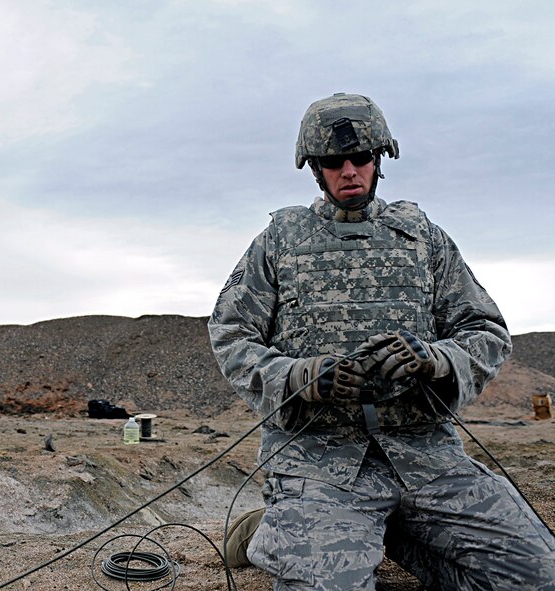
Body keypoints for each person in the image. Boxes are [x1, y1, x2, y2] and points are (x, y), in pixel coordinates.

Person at [208, 92, 555, 590]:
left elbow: (486, 331)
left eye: (361, 158)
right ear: (315, 168)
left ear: (379, 160)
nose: (349, 170)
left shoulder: (423, 238)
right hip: (320, 461)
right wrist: (297, 376)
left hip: (426, 456)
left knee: (539, 575)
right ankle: (276, 528)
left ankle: (390, 530)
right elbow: (230, 333)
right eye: (334, 161)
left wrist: (437, 360)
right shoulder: (281, 239)